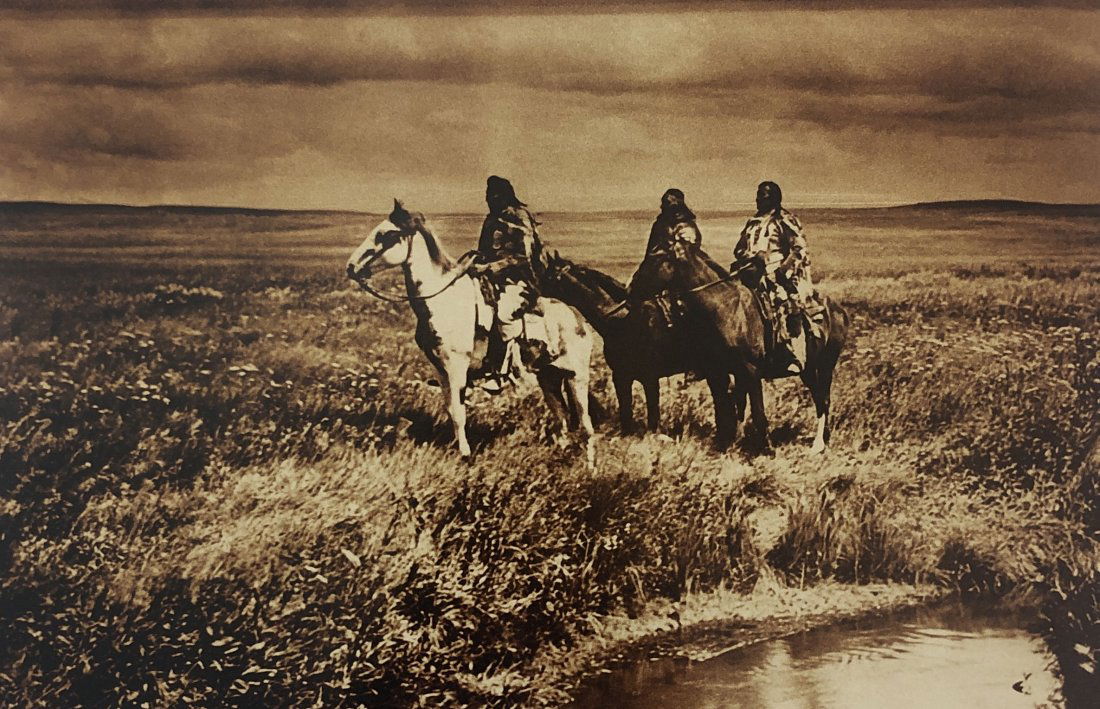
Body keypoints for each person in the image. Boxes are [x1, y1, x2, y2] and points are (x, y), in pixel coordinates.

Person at [470, 175, 544, 392]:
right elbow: (484, 250)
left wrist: (492, 267)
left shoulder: (519, 217)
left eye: (493, 195)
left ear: (504, 196)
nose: (489, 199)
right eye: (487, 195)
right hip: (489, 278)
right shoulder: (491, 218)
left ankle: (501, 373)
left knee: (503, 314)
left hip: (519, 279)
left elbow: (524, 256)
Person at [732, 181, 816, 372]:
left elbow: (798, 248)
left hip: (778, 273)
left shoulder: (784, 220)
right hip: (750, 271)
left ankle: (794, 353)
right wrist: (751, 257)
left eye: (764, 195)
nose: (758, 198)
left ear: (774, 198)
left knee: (783, 301)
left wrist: (781, 270)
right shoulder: (752, 222)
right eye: (758, 194)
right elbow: (739, 249)